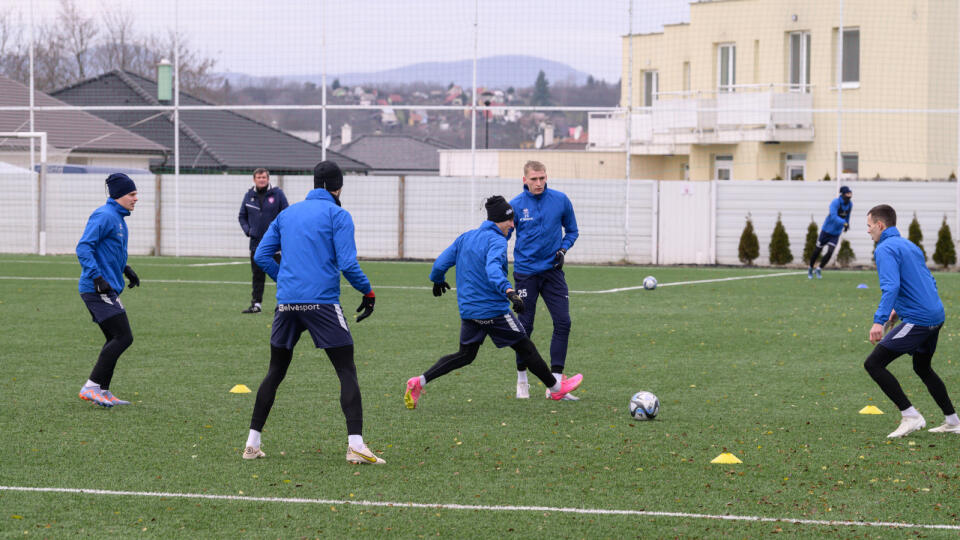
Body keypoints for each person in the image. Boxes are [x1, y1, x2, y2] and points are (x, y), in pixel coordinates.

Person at [242, 161, 384, 465]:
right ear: (338, 186)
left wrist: (285, 280)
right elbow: (347, 264)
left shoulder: (287, 213)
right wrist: (368, 292)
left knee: (275, 371)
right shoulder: (338, 215)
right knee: (346, 370)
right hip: (322, 303)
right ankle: (356, 445)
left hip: (287, 304)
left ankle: (252, 443)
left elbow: (261, 254)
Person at [403, 195, 583, 411]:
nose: (512, 225)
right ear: (499, 221)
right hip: (493, 310)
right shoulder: (497, 241)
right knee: (525, 346)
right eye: (509, 221)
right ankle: (556, 389)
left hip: (469, 310)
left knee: (465, 355)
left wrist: (437, 279)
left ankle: (418, 382)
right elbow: (492, 270)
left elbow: (441, 263)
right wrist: (509, 291)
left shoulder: (466, 237)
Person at [863, 204, 959, 438]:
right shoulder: (909, 245)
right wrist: (897, 312)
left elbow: (891, 286)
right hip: (936, 315)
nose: (868, 231)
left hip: (920, 319)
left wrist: (880, 321)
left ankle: (911, 416)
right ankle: (953, 421)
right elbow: (928, 281)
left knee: (874, 364)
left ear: (880, 225)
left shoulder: (884, 249)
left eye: (868, 226)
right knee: (922, 367)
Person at [509, 161, 579, 400]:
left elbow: (572, 231)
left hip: (552, 273)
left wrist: (563, 250)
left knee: (563, 322)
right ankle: (522, 380)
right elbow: (502, 236)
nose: (539, 183)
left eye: (542, 178)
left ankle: (556, 386)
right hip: (526, 274)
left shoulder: (560, 200)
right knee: (524, 328)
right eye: (534, 179)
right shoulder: (516, 206)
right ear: (524, 180)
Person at [75, 173, 141, 408]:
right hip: (96, 288)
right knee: (124, 336)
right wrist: (97, 277)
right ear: (119, 195)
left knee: (114, 337)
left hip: (107, 287)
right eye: (132, 194)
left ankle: (102, 390)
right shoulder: (104, 215)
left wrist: (126, 269)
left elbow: (110, 251)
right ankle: (92, 386)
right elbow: (84, 247)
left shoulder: (118, 218)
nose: (136, 198)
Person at [238, 168, 288, 313]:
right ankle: (256, 304)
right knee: (257, 275)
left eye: (264, 177)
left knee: (281, 274)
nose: (261, 180)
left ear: (268, 179)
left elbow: (286, 214)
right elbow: (242, 216)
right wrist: (248, 230)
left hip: (275, 244)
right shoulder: (249, 196)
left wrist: (281, 234)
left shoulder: (277, 194)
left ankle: (283, 303)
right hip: (256, 244)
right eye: (259, 177)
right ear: (254, 179)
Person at [808, 185, 852, 279]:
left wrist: (847, 225)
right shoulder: (835, 202)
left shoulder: (850, 204)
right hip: (826, 231)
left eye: (850, 193)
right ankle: (811, 268)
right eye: (848, 193)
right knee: (817, 250)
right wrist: (844, 223)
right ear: (843, 194)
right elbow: (833, 216)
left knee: (830, 251)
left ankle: (819, 268)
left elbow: (847, 216)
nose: (850, 195)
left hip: (836, 233)